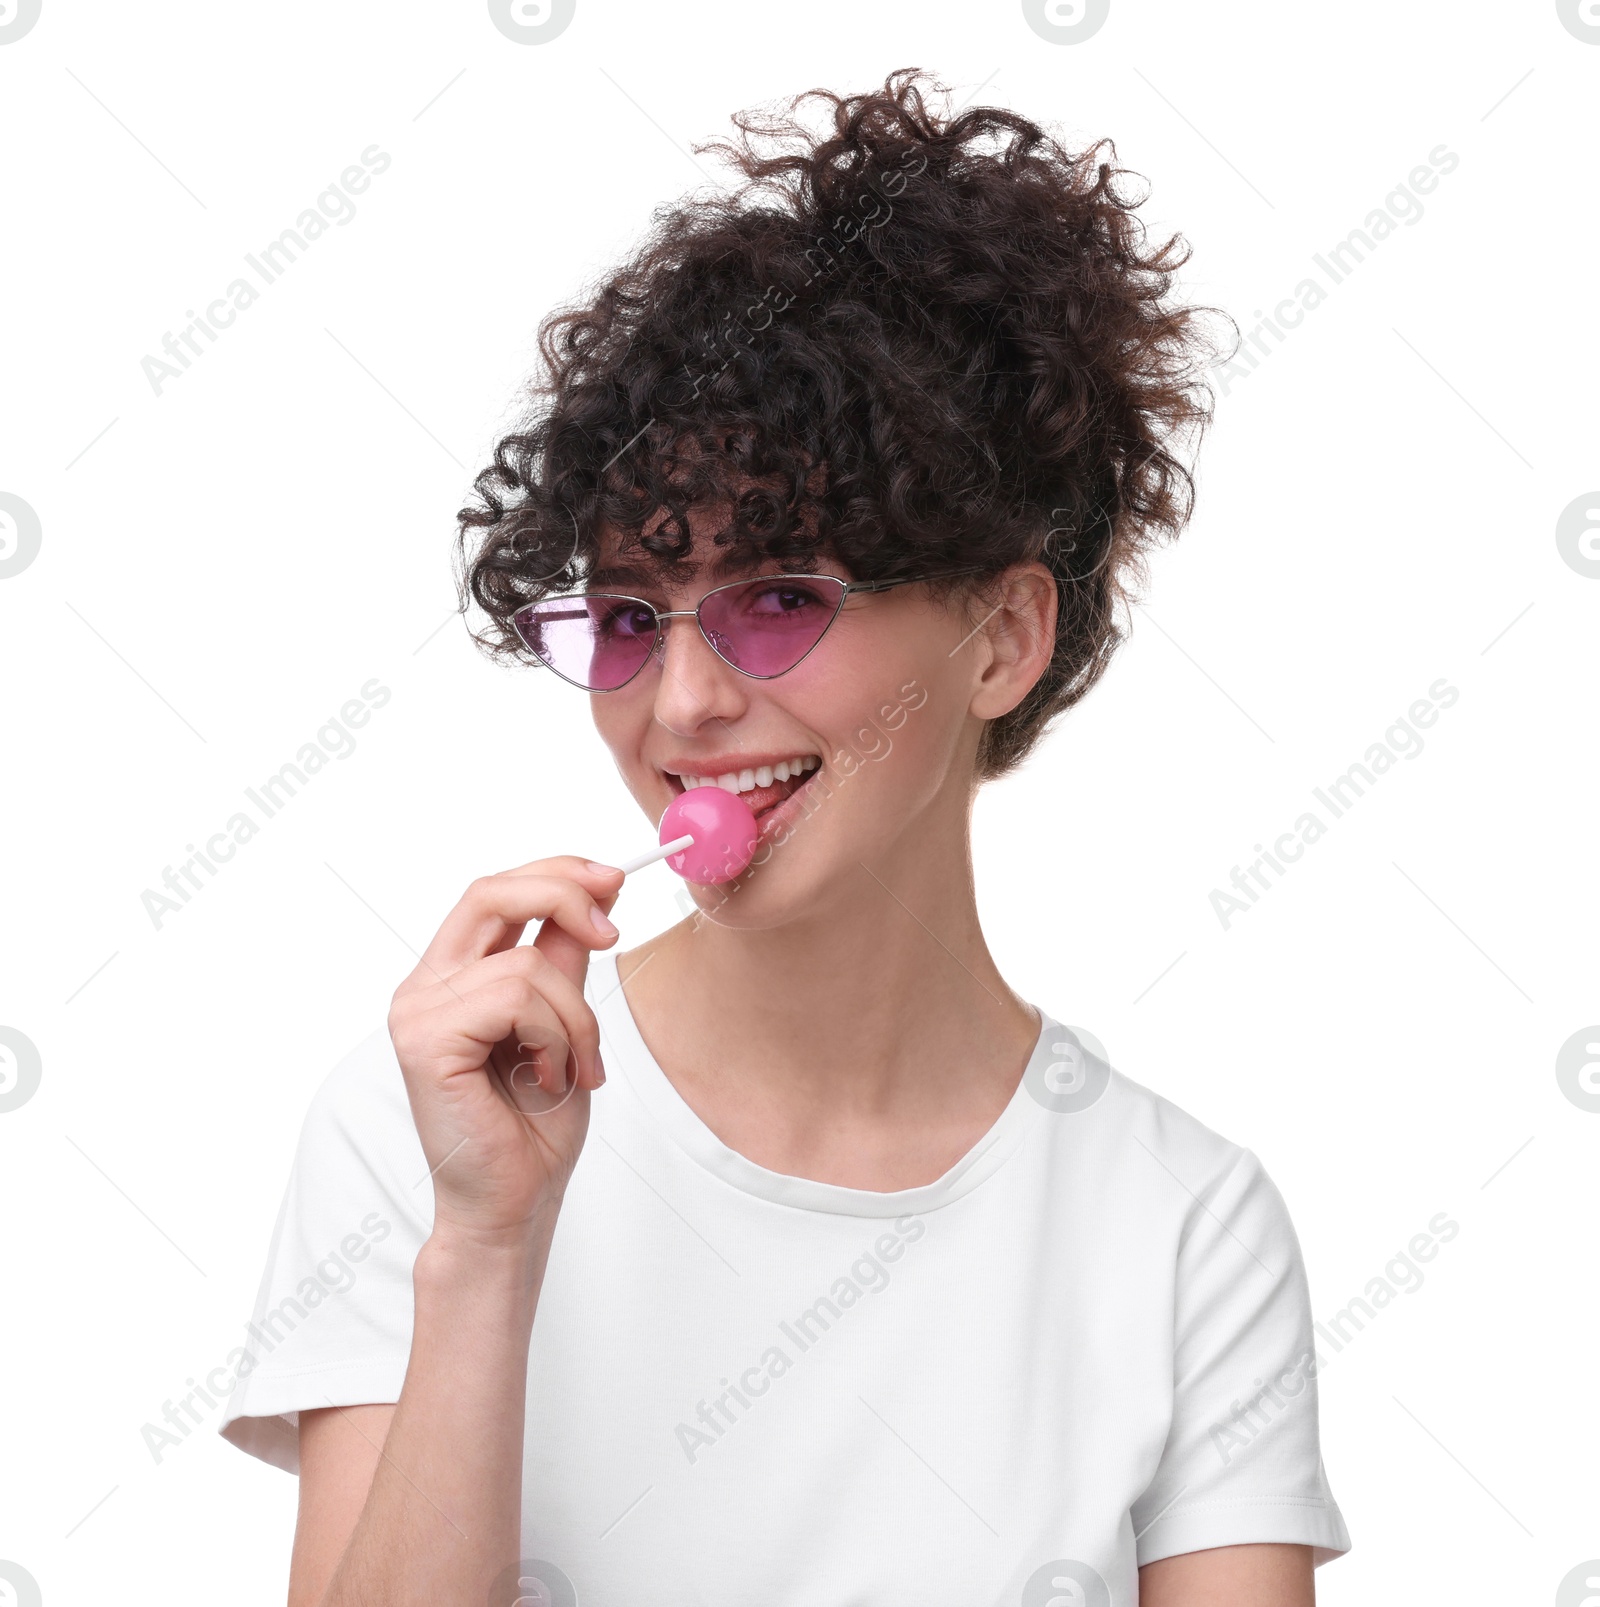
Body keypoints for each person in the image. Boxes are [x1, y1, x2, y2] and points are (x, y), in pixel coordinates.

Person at [219, 67, 1351, 1606]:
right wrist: (484, 1256)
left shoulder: (1180, 1230)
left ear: (1007, 636)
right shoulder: (435, 1128)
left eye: (779, 602)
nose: (681, 704)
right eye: (629, 618)